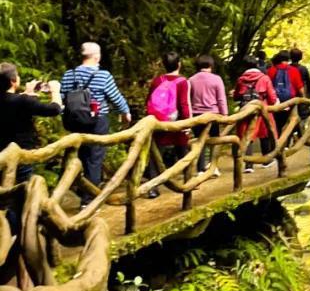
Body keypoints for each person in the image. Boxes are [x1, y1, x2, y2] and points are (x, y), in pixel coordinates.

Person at [60, 43, 131, 204]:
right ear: (97, 57)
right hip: (96, 121)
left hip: (74, 121)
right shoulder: (103, 75)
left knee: (78, 156)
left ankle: (69, 193)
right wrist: (125, 112)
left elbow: (62, 98)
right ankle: (88, 201)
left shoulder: (68, 75)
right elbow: (115, 97)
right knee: (94, 159)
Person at [0, 63, 62, 171]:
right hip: (21, 154)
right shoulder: (23, 101)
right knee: (22, 186)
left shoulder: (22, 100)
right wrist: (55, 90)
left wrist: (27, 94)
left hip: (1, 154)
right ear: (13, 81)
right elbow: (55, 109)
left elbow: (11, 101)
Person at [146, 52, 191, 198]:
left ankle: (153, 188)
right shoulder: (183, 81)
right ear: (179, 64)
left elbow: (149, 100)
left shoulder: (157, 80)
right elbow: (184, 104)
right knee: (183, 153)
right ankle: (188, 183)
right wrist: (188, 123)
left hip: (159, 122)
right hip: (176, 124)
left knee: (156, 155)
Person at [233, 55, 277, 170]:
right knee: (265, 133)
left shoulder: (241, 79)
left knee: (246, 134)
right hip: (261, 109)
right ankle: (266, 160)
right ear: (257, 65)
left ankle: (248, 164)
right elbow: (272, 98)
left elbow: (236, 96)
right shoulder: (264, 78)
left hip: (246, 110)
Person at [190, 54, 228, 176]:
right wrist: (225, 115)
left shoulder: (191, 80)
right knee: (214, 140)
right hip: (213, 114)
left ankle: (200, 168)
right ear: (211, 66)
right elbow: (221, 99)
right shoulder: (216, 79)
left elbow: (188, 99)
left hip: (197, 115)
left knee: (199, 141)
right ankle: (213, 166)